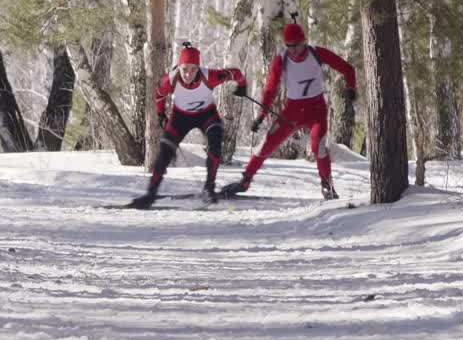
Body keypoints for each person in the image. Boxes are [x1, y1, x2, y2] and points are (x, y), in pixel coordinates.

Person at [221, 19, 357, 200]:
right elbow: (270, 88)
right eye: (289, 45)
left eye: (297, 45)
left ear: (304, 41)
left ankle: (327, 186)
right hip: (291, 112)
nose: (293, 49)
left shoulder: (317, 54)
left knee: (319, 147)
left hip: (317, 110)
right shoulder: (282, 60)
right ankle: (244, 181)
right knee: (266, 144)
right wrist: (261, 116)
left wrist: (351, 87)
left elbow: (348, 69)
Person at [130, 42, 247, 209]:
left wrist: (241, 87)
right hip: (180, 117)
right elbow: (159, 95)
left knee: (215, 141)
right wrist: (160, 113)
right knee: (165, 151)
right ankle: (150, 194)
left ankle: (209, 189)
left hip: (207, 115)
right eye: (185, 69)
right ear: (179, 67)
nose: (188, 74)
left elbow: (235, 73)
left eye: (193, 69)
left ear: (198, 68)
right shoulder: (170, 79)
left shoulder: (210, 76)